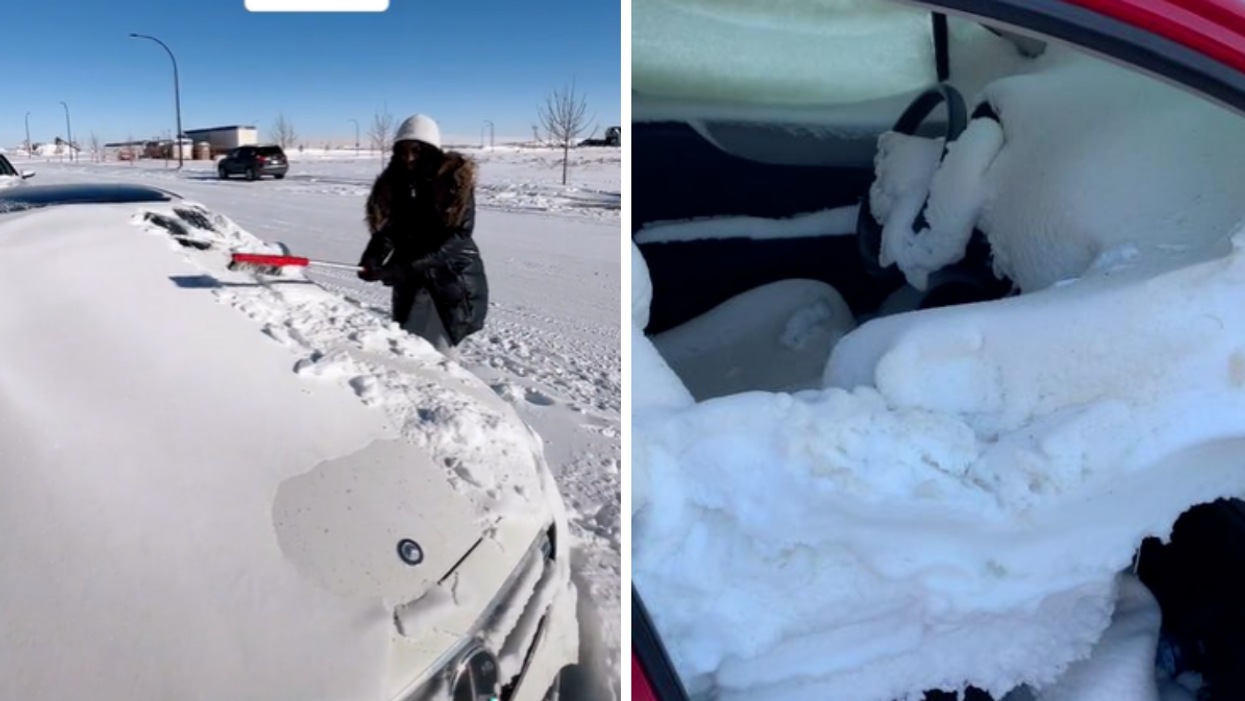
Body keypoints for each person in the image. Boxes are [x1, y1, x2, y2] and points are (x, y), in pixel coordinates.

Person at [356, 114, 488, 357]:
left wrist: (403, 268)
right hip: (411, 285)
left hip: (451, 283)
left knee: (440, 360)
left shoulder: (454, 181)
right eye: (403, 151)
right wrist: (373, 258)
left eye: (417, 151)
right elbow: (389, 230)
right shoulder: (394, 183)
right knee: (409, 352)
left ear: (431, 151)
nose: (409, 158)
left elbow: (458, 237)